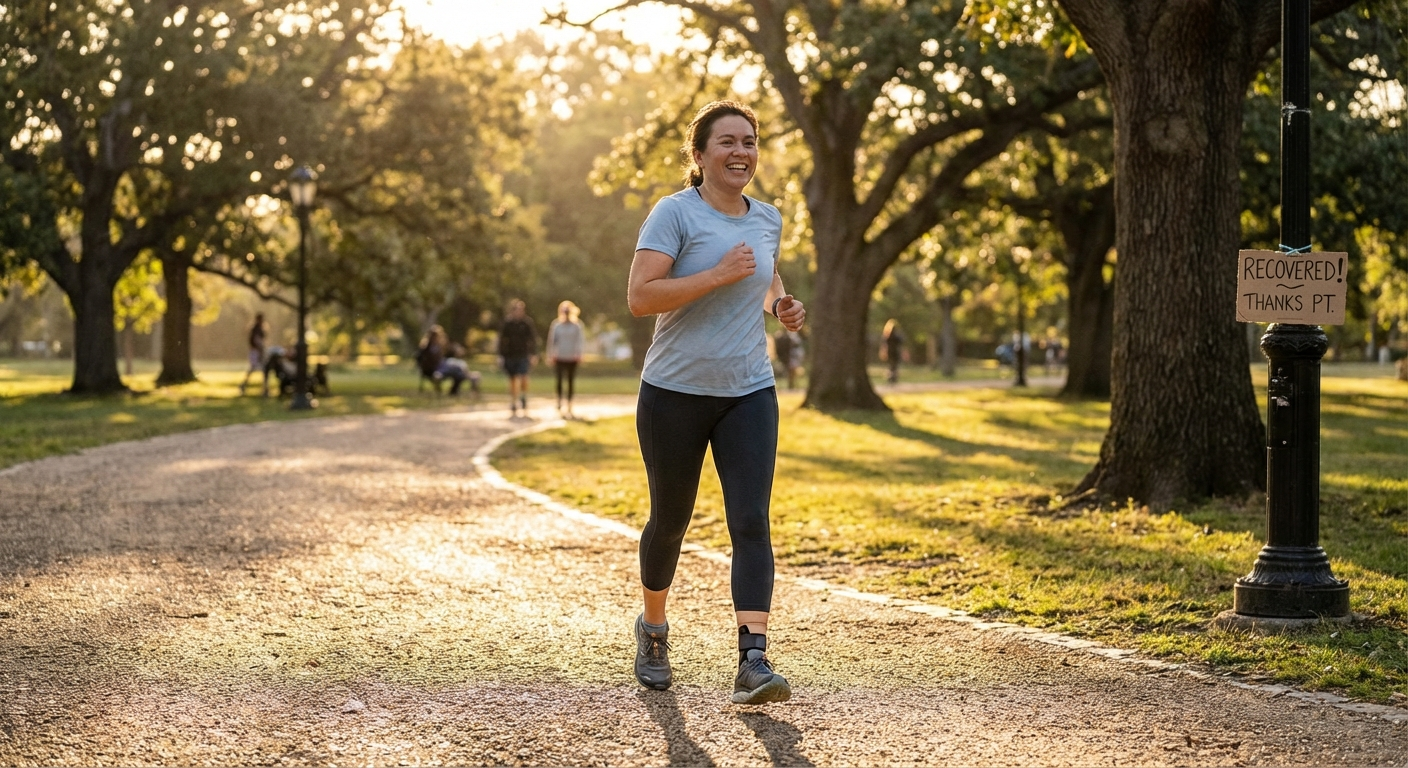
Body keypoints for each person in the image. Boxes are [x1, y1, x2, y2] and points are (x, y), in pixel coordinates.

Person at [627, 100, 806, 705]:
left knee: (751, 521)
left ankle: (753, 660)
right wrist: (717, 275)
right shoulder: (674, 213)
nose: (740, 152)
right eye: (727, 141)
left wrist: (780, 305)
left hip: (748, 391)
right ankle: (654, 629)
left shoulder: (769, 218)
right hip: (673, 393)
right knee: (670, 520)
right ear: (699, 154)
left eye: (749, 142)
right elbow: (641, 297)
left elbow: (764, 276)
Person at [498, 299, 538, 417]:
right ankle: (513, 401)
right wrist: (500, 355)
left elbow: (533, 339)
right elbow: (501, 340)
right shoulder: (507, 323)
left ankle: (523, 396)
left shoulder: (527, 323)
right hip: (510, 355)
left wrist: (533, 354)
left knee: (524, 376)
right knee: (512, 379)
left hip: (523, 354)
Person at [547, 300, 586, 416]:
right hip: (559, 356)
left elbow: (580, 341)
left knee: (570, 381)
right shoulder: (556, 325)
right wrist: (550, 354)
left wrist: (579, 354)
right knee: (559, 380)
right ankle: (559, 400)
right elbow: (552, 341)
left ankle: (569, 403)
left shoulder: (577, 326)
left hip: (572, 357)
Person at [416, 325, 474, 396]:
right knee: (459, 368)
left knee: (460, 370)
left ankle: (455, 390)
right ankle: (469, 378)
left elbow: (450, 350)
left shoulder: (438, 345)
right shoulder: (428, 347)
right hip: (437, 368)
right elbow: (428, 360)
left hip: (442, 366)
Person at [240, 313, 268, 397]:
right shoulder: (256, 329)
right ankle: (244, 385)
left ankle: (265, 388)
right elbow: (257, 341)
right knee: (255, 369)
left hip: (256, 351)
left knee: (261, 370)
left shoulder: (257, 328)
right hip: (256, 351)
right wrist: (260, 350)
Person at [881, 319, 907, 384]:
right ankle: (893, 378)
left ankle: (891, 377)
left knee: (891, 366)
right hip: (895, 352)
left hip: (890, 352)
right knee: (894, 366)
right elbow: (902, 341)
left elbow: (884, 345)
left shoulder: (887, 336)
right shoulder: (897, 336)